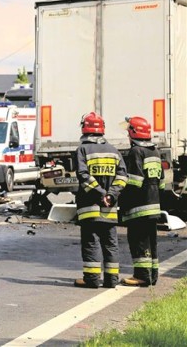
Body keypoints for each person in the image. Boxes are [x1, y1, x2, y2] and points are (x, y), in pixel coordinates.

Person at [73, 112, 127, 288]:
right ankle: (111, 280)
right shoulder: (113, 151)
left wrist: (100, 194)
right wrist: (111, 195)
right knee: (111, 244)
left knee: (91, 243)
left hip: (90, 207)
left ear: (84, 128)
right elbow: (122, 177)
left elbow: (83, 176)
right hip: (110, 208)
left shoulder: (82, 149)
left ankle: (92, 280)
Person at [119, 116, 164, 287]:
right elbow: (160, 182)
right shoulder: (155, 151)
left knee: (138, 240)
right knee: (151, 241)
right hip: (153, 205)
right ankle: (152, 275)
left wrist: (122, 200)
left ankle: (142, 276)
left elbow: (134, 182)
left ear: (133, 133)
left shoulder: (136, 152)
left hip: (139, 207)